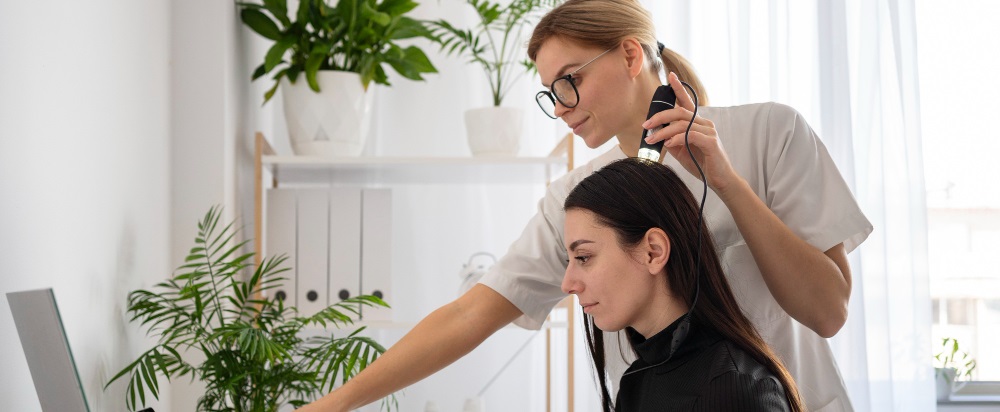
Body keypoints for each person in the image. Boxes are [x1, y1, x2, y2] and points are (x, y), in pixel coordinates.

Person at [298, 0, 871, 411]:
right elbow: (471, 314)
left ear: (628, 55)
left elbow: (828, 312)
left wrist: (726, 183)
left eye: (570, 79)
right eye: (551, 93)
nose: (562, 106)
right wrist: (335, 404)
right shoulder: (578, 200)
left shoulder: (768, 134)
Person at [563, 158, 803, 411]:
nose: (568, 284)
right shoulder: (635, 382)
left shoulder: (734, 389)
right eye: (570, 260)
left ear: (653, 252)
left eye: (584, 257)